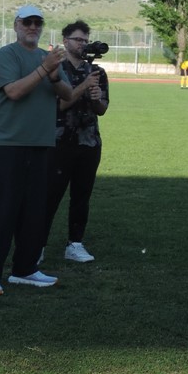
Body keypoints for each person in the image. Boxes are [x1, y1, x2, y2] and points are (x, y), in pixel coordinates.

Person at [0, 5, 73, 296]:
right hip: (7, 144)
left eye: (37, 23)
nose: (32, 27)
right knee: (1, 210)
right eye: (27, 22)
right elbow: (14, 92)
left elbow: (67, 96)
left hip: (40, 144)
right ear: (17, 25)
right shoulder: (8, 54)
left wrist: (54, 75)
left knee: (33, 212)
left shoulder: (47, 58)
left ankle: (24, 269)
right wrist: (45, 69)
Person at [43, 20, 110, 265]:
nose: (83, 44)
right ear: (65, 41)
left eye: (85, 40)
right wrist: (84, 87)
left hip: (89, 143)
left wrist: (96, 98)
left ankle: (75, 243)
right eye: (78, 39)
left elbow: (102, 109)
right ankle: (37, 245)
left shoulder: (98, 72)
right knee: (49, 196)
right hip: (59, 142)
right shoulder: (55, 69)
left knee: (81, 197)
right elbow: (58, 106)